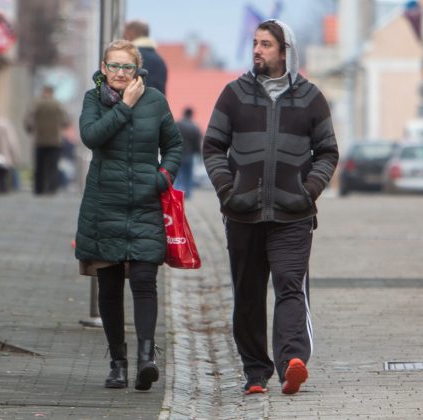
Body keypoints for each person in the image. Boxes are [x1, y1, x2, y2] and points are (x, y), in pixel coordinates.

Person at [203, 20, 339, 395]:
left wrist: (308, 192)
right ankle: (255, 372)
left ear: (285, 51)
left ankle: (292, 361)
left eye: (265, 44)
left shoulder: (311, 98)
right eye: (255, 43)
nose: (257, 50)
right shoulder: (234, 94)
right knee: (247, 296)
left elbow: (328, 152)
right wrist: (227, 191)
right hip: (242, 214)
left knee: (290, 287)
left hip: (293, 215)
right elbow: (212, 147)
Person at [74, 39, 182, 391]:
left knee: (144, 280)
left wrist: (163, 177)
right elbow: (91, 137)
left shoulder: (156, 101)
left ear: (138, 70)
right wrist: (124, 106)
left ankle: (146, 359)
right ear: (103, 68)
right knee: (109, 286)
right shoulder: (94, 99)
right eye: (114, 66)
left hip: (145, 204)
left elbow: (174, 145)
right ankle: (117, 364)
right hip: (104, 204)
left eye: (127, 67)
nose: (120, 73)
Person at [24, 85, 69, 195]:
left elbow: (28, 120)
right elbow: (65, 121)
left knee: (39, 166)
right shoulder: (58, 104)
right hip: (55, 141)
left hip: (40, 140)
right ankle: (51, 188)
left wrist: (30, 129)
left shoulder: (36, 104)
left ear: (43, 92)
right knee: (53, 166)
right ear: (52, 93)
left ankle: (39, 189)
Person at [123, 20, 168, 95]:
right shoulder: (159, 60)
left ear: (131, 33)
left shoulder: (130, 56)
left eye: (124, 34)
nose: (123, 38)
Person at [174, 107, 202, 199]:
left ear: (184, 113)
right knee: (188, 175)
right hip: (190, 155)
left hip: (178, 154)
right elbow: (197, 143)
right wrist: (198, 155)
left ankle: (178, 193)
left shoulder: (177, 125)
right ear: (191, 115)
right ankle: (188, 194)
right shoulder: (195, 127)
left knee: (179, 175)